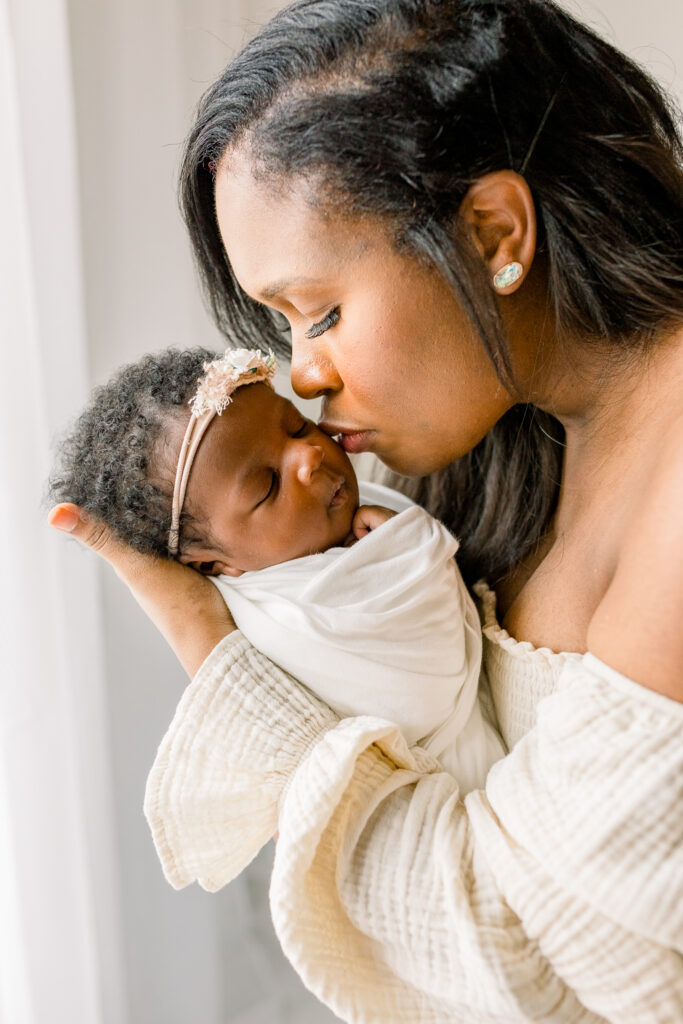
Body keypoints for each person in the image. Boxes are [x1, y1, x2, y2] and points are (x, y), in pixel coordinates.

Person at [49, 0, 683, 1020]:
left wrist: (217, 658)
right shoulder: (505, 455)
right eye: (283, 324)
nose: (303, 373)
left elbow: (530, 954)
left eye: (323, 311)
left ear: (491, 233)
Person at [49, 344, 504, 801]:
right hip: (451, 792)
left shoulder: (346, 515)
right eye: (268, 485)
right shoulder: (280, 618)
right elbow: (424, 685)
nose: (308, 455)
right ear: (215, 564)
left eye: (296, 426)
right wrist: (405, 549)